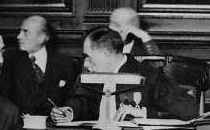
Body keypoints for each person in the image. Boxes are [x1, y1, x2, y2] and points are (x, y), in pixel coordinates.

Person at [50, 27, 198, 124]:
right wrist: (68, 112)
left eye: (88, 57)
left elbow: (188, 110)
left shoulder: (149, 76)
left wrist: (144, 113)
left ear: (106, 54)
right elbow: (82, 101)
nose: (86, 64)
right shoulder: (90, 74)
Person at [0, 15, 77, 115]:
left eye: (25, 32)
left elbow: (70, 99)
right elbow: (0, 99)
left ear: (42, 37)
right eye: (20, 31)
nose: (19, 36)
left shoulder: (64, 64)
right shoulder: (9, 60)